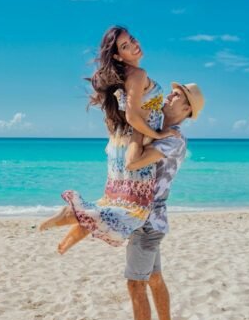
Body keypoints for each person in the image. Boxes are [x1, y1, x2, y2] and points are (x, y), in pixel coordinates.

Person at [39, 26, 177, 253]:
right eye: (125, 46)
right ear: (116, 56)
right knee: (134, 209)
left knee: (113, 204)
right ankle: (68, 215)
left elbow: (120, 116)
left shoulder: (125, 76)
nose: (134, 45)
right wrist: (158, 134)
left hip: (120, 144)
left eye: (131, 40)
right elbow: (133, 115)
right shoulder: (137, 75)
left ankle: (66, 238)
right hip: (134, 143)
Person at [107, 82, 204, 320]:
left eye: (178, 95)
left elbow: (133, 162)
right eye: (173, 91)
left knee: (135, 283)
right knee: (155, 279)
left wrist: (139, 127)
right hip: (153, 220)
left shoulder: (173, 140)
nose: (170, 95)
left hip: (146, 223)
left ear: (186, 110)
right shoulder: (164, 132)